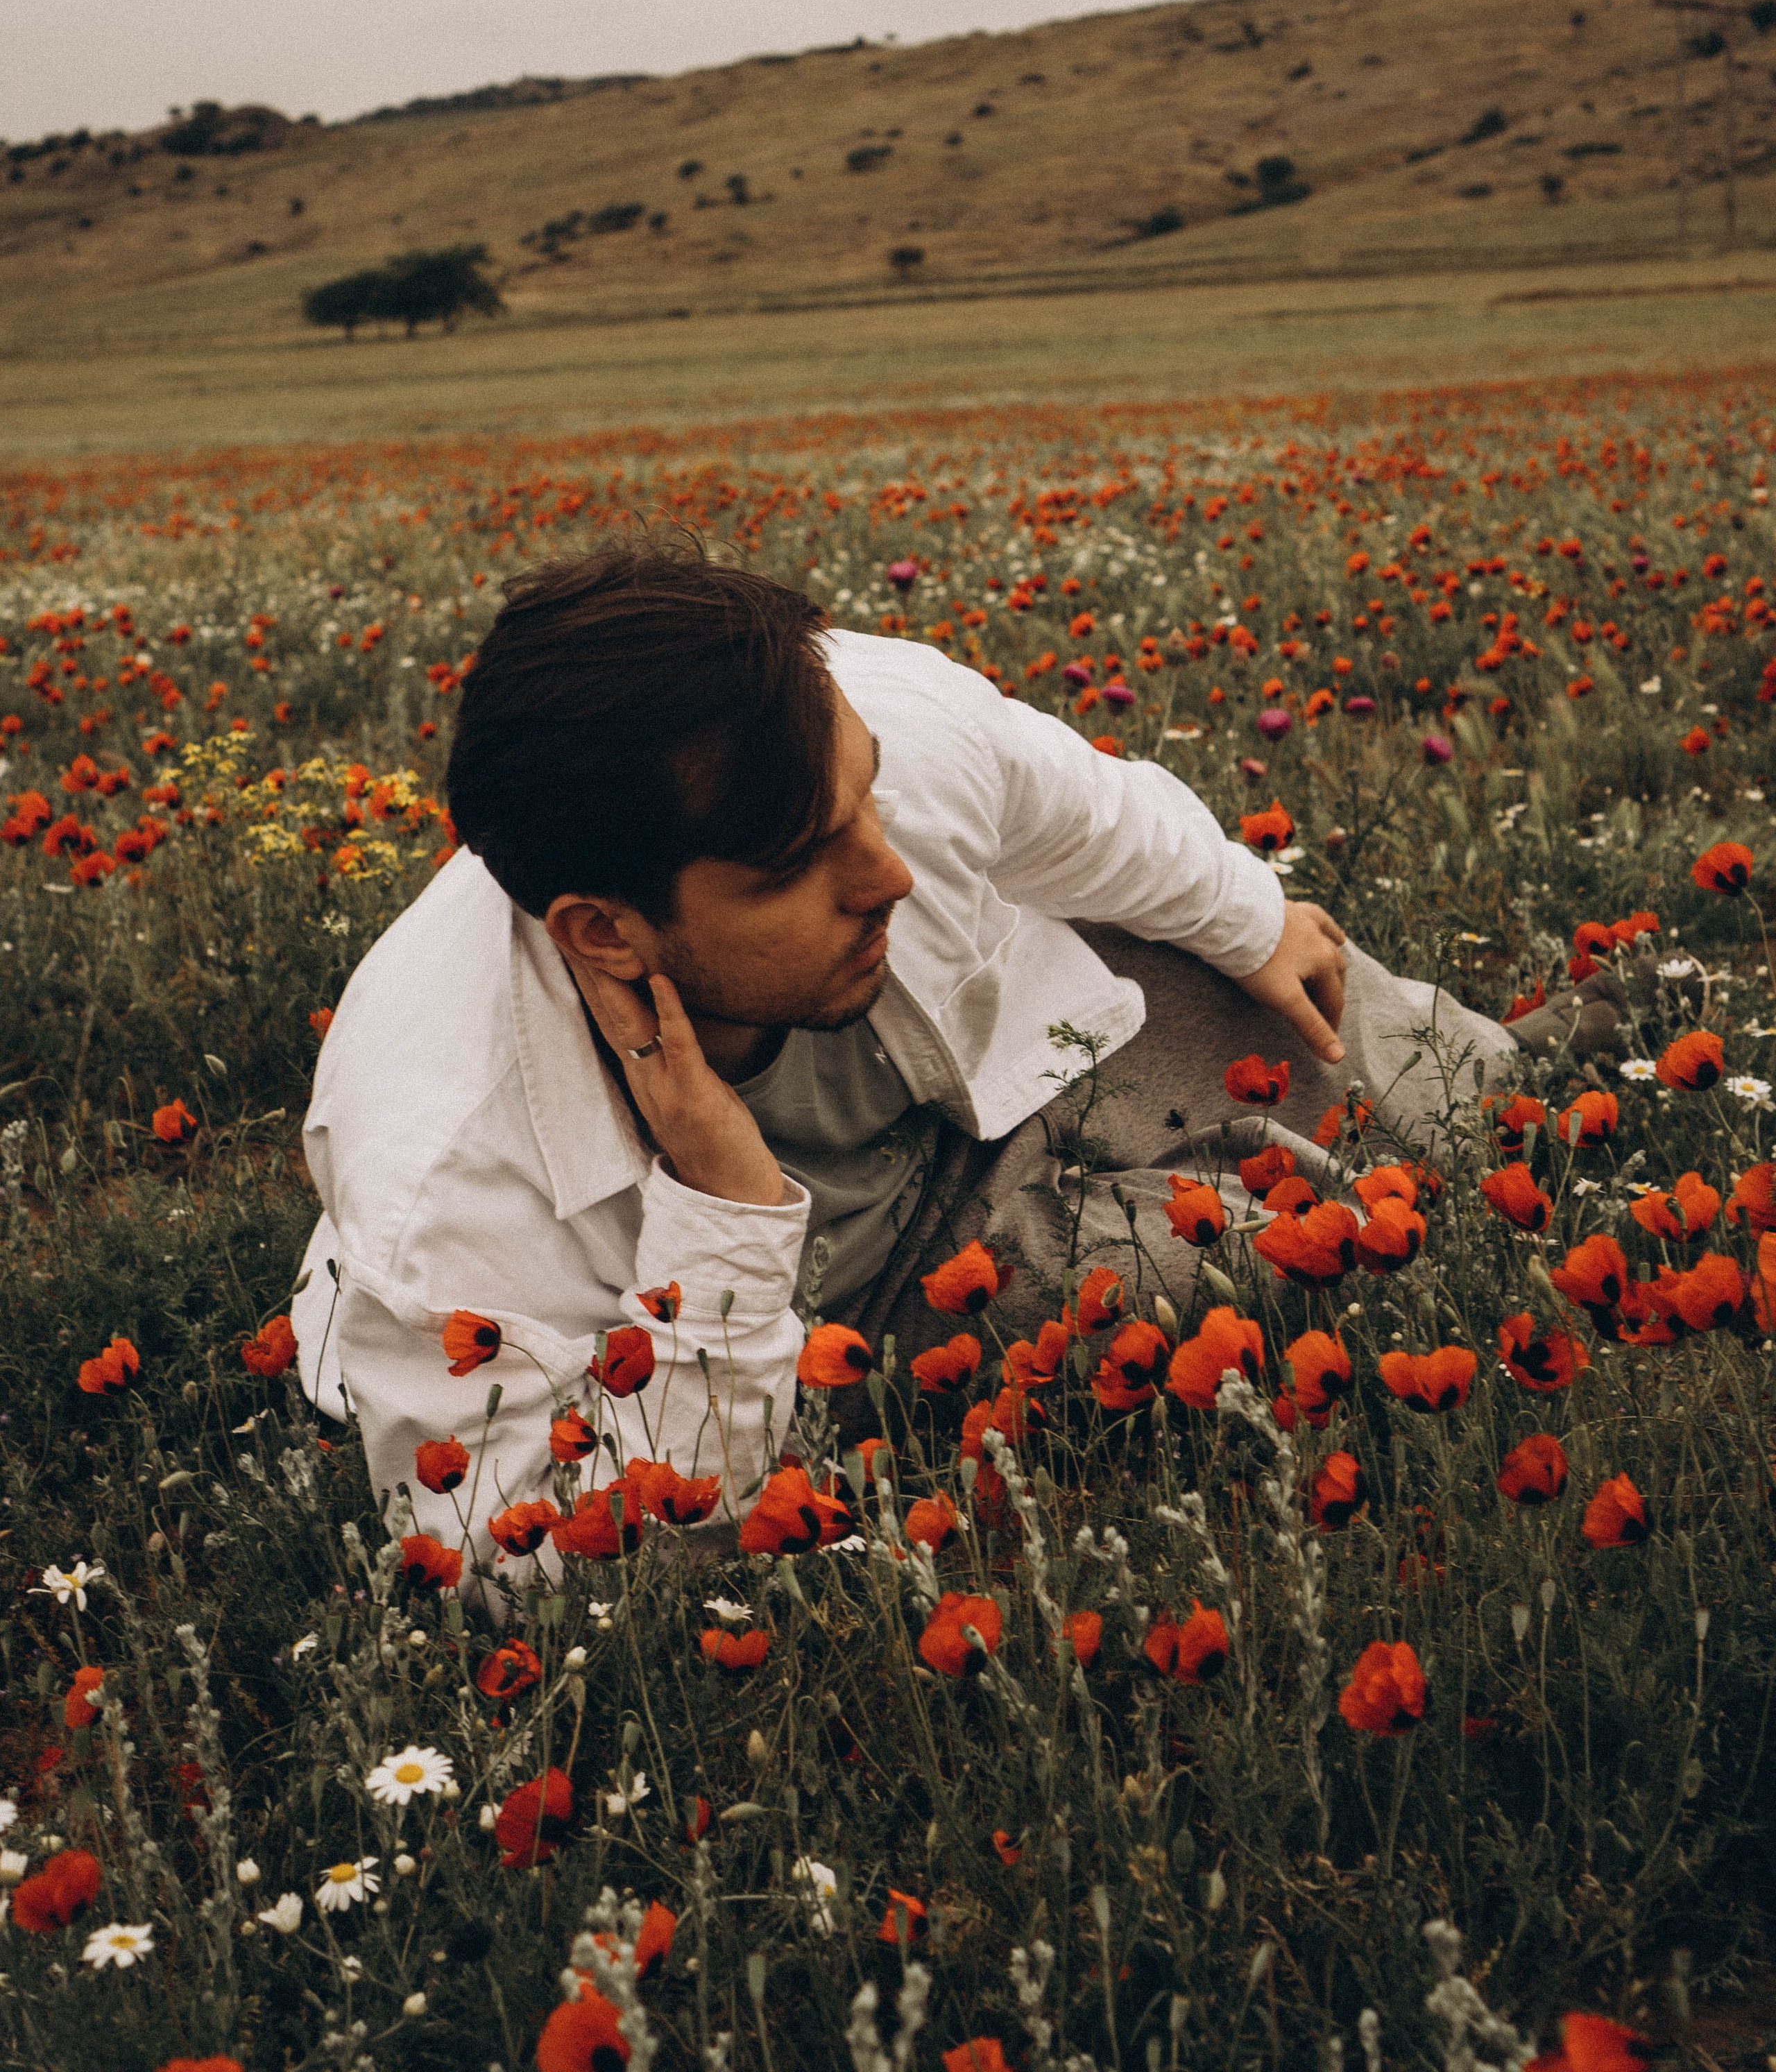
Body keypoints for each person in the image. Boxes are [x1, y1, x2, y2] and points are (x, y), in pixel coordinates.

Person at [291, 532, 1551, 1591]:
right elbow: (517, 1560)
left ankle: (1530, 1059)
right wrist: (726, 1215)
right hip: (840, 1317)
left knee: (1443, 1084)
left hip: (989, 1098)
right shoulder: (441, 1175)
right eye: (800, 863)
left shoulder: (863, 726)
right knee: (1245, 1266)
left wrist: (1248, 915)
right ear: (605, 933)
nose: (887, 872)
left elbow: (1074, 805)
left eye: (871, 799)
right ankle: (1270, 1188)